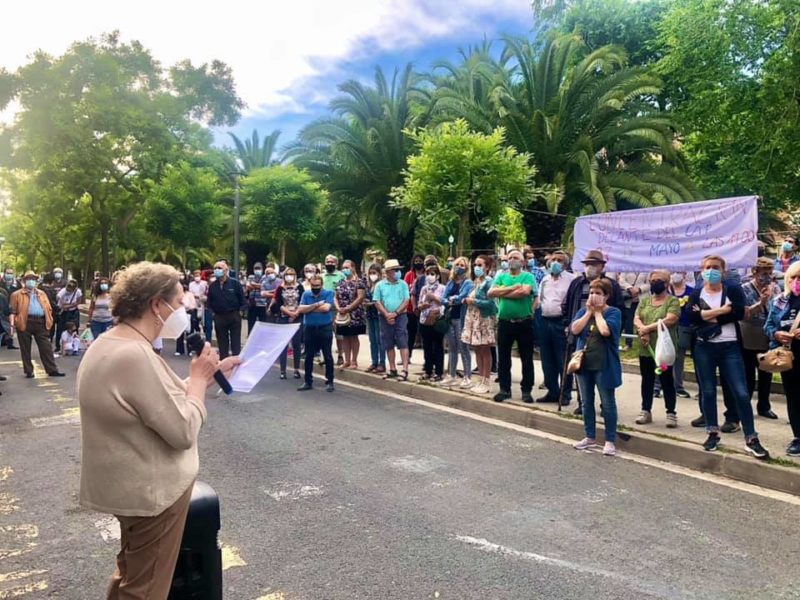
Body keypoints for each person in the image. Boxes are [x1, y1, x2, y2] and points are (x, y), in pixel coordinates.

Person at [77, 261, 239, 599]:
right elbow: (182, 430)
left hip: (125, 487)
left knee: (130, 574)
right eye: (178, 302)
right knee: (146, 588)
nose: (183, 309)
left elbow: (153, 399)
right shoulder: (135, 355)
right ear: (156, 305)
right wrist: (196, 381)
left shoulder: (112, 343)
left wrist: (205, 378)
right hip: (151, 493)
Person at [688, 255, 769, 459]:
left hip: (730, 347)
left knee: (741, 392)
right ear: (701, 270)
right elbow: (691, 317)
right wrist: (722, 310)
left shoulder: (732, 289)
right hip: (704, 347)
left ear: (724, 271)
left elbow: (739, 313)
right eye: (707, 267)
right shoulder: (697, 293)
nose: (711, 271)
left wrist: (708, 315)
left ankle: (751, 438)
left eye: (715, 267)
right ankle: (712, 432)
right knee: (707, 391)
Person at [562, 250, 625, 414]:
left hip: (602, 335)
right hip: (582, 332)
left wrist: (613, 329)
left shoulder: (611, 285)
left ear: (601, 266)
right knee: (580, 366)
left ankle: (606, 406)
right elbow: (567, 305)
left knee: (603, 376)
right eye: (587, 264)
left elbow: (619, 308)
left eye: (594, 264)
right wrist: (568, 325)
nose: (590, 267)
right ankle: (582, 403)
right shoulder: (577, 283)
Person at [571, 278, 623, 456]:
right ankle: (589, 436)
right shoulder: (582, 311)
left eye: (598, 293)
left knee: (607, 403)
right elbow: (575, 330)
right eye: (592, 293)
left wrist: (599, 313)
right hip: (584, 364)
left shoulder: (614, 312)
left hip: (603, 364)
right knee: (586, 402)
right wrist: (588, 313)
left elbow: (606, 331)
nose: (593, 296)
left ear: (606, 296)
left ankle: (609, 439)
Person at [633, 270, 681, 427]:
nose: (655, 283)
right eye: (652, 280)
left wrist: (647, 329)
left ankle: (671, 412)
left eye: (659, 280)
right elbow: (637, 317)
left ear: (667, 283)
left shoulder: (672, 301)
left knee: (666, 379)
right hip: (645, 348)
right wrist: (642, 330)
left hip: (664, 351)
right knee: (647, 379)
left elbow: (670, 319)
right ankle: (645, 410)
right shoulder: (645, 301)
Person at [489, 249, 536, 403]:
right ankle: (504, 389)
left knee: (526, 357)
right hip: (504, 322)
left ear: (522, 262)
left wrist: (502, 292)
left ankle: (527, 390)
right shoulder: (501, 276)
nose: (512, 260)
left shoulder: (528, 276)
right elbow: (491, 292)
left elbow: (524, 292)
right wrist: (512, 288)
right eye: (509, 258)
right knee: (503, 357)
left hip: (524, 322)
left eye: (515, 257)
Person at [764, 261, 800, 456]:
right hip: (788, 357)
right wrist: (776, 334)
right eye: (793, 277)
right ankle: (798, 436)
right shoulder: (780, 300)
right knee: (794, 397)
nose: (796, 281)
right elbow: (768, 327)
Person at [740, 257, 782, 419]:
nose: (767, 277)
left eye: (770, 273)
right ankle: (745, 405)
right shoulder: (745, 289)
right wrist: (761, 302)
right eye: (764, 273)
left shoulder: (776, 289)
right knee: (748, 374)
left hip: (767, 337)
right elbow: (744, 314)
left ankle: (764, 406)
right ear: (755, 272)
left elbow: (779, 310)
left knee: (766, 372)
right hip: (749, 335)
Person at [536, 251, 576, 404]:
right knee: (547, 359)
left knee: (562, 360)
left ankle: (565, 394)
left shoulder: (572, 280)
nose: (555, 262)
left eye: (559, 260)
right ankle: (552, 391)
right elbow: (541, 299)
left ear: (565, 264)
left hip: (561, 322)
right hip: (545, 321)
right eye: (553, 259)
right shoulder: (545, 279)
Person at [9, 271, 65, 378]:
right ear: (24, 281)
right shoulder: (16, 294)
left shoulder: (41, 293)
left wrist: (49, 319)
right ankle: (29, 371)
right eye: (29, 279)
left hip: (40, 322)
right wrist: (13, 325)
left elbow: (48, 308)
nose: (31, 281)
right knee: (25, 348)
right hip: (25, 322)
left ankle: (52, 370)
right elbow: (12, 311)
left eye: (33, 279)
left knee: (46, 347)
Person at [461, 255, 497, 394]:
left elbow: (492, 304)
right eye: (475, 264)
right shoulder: (476, 281)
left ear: (487, 267)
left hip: (484, 319)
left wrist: (474, 301)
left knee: (485, 349)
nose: (477, 268)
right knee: (477, 348)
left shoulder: (489, 282)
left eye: (480, 265)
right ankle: (480, 378)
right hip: (473, 318)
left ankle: (486, 380)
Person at [296, 273, 335, 392]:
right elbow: (301, 309)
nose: (315, 287)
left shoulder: (328, 293)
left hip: (325, 328)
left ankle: (330, 382)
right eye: (313, 285)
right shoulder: (306, 294)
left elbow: (326, 308)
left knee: (327, 355)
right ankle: (308, 381)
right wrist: (317, 304)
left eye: (317, 285)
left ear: (322, 285)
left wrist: (309, 308)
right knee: (309, 355)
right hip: (310, 328)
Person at [373, 259, 411, 381]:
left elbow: (406, 300)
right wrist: (386, 314)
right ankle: (392, 368)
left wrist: (395, 313)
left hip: (400, 315)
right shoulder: (380, 285)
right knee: (388, 342)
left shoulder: (403, 284)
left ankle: (405, 369)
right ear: (388, 272)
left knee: (402, 340)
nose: (397, 272)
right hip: (384, 316)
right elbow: (377, 301)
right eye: (395, 270)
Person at [441, 256, 474, 389]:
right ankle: (451, 374)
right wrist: (450, 300)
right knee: (452, 347)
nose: (459, 267)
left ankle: (467, 376)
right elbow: (443, 298)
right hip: (450, 317)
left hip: (461, 317)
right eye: (457, 264)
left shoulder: (468, 282)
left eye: (462, 265)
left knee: (463, 347)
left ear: (466, 268)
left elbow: (462, 298)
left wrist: (451, 299)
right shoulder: (451, 282)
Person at [207, 260, 246, 359]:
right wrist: (213, 314)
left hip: (234, 316)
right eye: (215, 268)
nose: (217, 270)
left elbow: (243, 300)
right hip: (219, 317)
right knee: (222, 343)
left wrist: (240, 312)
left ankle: (236, 363)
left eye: (219, 268)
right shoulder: (212, 286)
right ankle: (224, 364)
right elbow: (209, 302)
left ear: (225, 270)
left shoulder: (235, 284)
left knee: (235, 343)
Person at [334, 260, 366, 370]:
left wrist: (349, 308)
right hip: (342, 313)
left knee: (353, 336)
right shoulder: (340, 282)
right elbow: (335, 296)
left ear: (353, 267)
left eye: (347, 267)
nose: (345, 270)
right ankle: (346, 360)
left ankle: (354, 361)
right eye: (343, 267)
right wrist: (338, 308)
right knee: (345, 337)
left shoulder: (359, 282)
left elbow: (360, 297)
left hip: (354, 313)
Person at [273, 267, 305, 380]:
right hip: (283, 318)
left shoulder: (300, 287)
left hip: (297, 317)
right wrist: (288, 313)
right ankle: (283, 370)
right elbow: (278, 304)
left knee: (296, 344)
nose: (289, 276)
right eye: (287, 274)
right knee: (283, 345)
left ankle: (296, 369)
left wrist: (295, 314)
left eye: (292, 274)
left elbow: (302, 301)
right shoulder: (280, 288)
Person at [417, 263, 446, 382]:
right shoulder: (424, 288)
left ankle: (439, 372)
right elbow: (419, 304)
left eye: (432, 274)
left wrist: (433, 297)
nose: (430, 276)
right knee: (427, 346)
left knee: (438, 346)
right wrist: (422, 305)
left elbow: (444, 302)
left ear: (438, 276)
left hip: (437, 320)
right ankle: (428, 370)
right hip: (425, 320)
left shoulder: (442, 288)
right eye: (427, 274)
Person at [617, 272, 650, 350]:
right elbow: (621, 280)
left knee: (643, 321)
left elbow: (649, 284)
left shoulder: (646, 269)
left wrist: (639, 289)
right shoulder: (627, 267)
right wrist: (630, 288)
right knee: (628, 322)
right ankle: (628, 343)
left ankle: (643, 342)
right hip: (628, 300)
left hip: (642, 299)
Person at [364, 263, 386, 374]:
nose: (372, 275)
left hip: (378, 314)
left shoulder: (381, 285)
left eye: (374, 273)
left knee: (379, 339)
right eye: (371, 273)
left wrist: (372, 303)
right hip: (370, 314)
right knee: (372, 340)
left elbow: (381, 300)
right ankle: (374, 362)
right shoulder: (369, 285)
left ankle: (382, 363)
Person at [404, 254, 425, 360]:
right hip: (410, 309)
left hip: (424, 308)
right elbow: (405, 289)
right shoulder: (409, 275)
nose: (418, 263)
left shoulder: (427, 275)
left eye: (420, 261)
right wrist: (413, 306)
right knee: (410, 333)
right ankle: (407, 356)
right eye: (416, 261)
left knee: (424, 333)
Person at [55, 279, 82, 353]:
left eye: (71, 287)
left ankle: (74, 345)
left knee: (74, 328)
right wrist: (63, 304)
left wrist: (70, 305)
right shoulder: (63, 291)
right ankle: (59, 346)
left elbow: (79, 301)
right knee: (61, 329)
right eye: (68, 286)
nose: (69, 289)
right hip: (64, 312)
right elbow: (58, 298)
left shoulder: (78, 291)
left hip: (73, 311)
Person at [174, 283, 198, 356]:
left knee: (189, 332)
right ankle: (179, 350)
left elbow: (193, 305)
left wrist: (187, 307)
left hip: (188, 313)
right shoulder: (177, 295)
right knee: (180, 332)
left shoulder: (190, 295)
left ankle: (190, 350)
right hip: (180, 313)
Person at [246, 262, 269, 332]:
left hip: (262, 304)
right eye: (256, 268)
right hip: (252, 304)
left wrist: (253, 284)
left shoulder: (265, 277)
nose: (257, 270)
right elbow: (248, 287)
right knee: (251, 324)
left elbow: (264, 287)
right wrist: (258, 286)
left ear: (262, 269)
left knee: (263, 324)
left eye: (259, 268)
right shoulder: (250, 277)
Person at [1, 268, 20, 349]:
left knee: (11, 324)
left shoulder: (17, 284)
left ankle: (10, 343)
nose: (9, 275)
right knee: (3, 324)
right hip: (2, 306)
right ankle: (4, 341)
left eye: (11, 273)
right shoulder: (1, 283)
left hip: (13, 306)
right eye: (7, 273)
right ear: (4, 273)